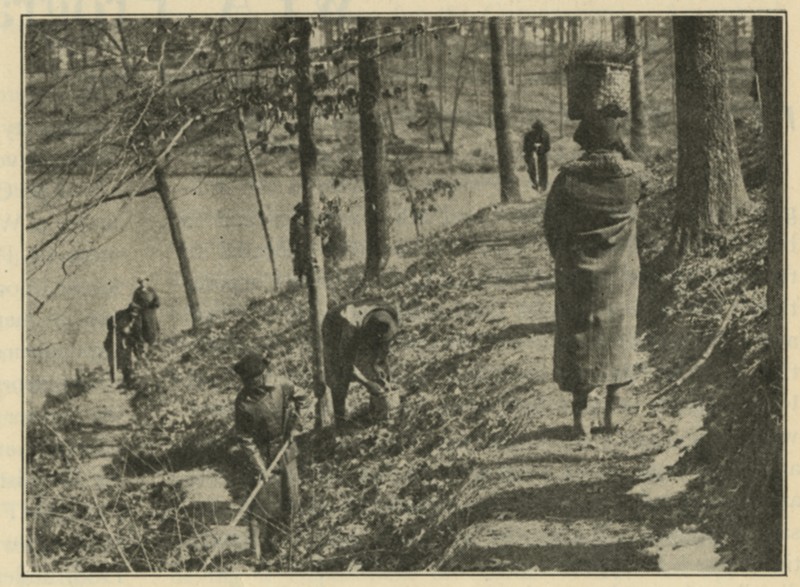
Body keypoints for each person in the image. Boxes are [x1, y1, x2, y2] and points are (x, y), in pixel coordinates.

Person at [544, 114, 647, 438]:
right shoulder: (632, 179)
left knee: (579, 336)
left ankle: (581, 415)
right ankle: (613, 412)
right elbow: (645, 174)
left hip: (577, 269)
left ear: (585, 142)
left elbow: (551, 224)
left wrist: (564, 256)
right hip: (621, 270)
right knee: (618, 334)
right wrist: (624, 147)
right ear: (614, 140)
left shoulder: (567, 180)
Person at [233, 352, 306, 562]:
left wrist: (295, 426)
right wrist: (260, 467)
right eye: (245, 381)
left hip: (285, 448)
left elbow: (302, 397)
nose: (249, 385)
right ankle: (255, 552)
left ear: (262, 375)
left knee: (291, 498)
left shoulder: (281, 384)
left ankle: (288, 543)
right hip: (262, 454)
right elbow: (245, 438)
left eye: (253, 380)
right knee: (259, 503)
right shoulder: (243, 402)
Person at [322, 300, 399, 424]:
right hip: (334, 325)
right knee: (338, 375)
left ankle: (380, 406)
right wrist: (367, 383)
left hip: (367, 325)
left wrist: (379, 367)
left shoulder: (389, 315)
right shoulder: (350, 327)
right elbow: (346, 364)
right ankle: (340, 419)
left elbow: (383, 350)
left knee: (378, 371)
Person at [103, 302, 144, 388]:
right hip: (114, 341)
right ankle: (114, 380)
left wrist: (139, 351)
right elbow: (110, 323)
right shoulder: (121, 315)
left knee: (126, 360)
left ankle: (127, 380)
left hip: (127, 341)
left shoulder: (137, 320)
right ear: (129, 311)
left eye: (136, 313)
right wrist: (121, 328)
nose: (134, 315)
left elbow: (138, 334)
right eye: (132, 313)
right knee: (114, 361)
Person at [132, 276, 160, 351]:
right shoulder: (137, 292)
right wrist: (137, 309)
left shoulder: (151, 290)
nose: (143, 283)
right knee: (144, 328)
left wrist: (156, 303)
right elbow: (134, 302)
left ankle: (154, 343)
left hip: (151, 311)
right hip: (142, 312)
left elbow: (156, 298)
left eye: (144, 281)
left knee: (153, 326)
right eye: (141, 282)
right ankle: (145, 345)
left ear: (146, 281)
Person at [523, 120, 551, 191]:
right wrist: (533, 147)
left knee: (543, 169)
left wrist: (540, 147)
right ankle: (534, 183)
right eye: (535, 129)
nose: (536, 131)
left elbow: (548, 147)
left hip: (541, 154)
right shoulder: (528, 135)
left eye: (539, 129)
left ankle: (543, 186)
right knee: (531, 169)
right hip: (530, 154)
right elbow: (525, 147)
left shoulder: (546, 135)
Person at [289, 203, 308, 284]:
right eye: (298, 211)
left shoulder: (307, 219)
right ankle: (301, 282)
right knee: (299, 263)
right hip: (299, 244)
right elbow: (292, 233)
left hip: (306, 243)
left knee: (307, 262)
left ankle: (306, 280)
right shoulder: (294, 220)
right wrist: (292, 245)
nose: (299, 213)